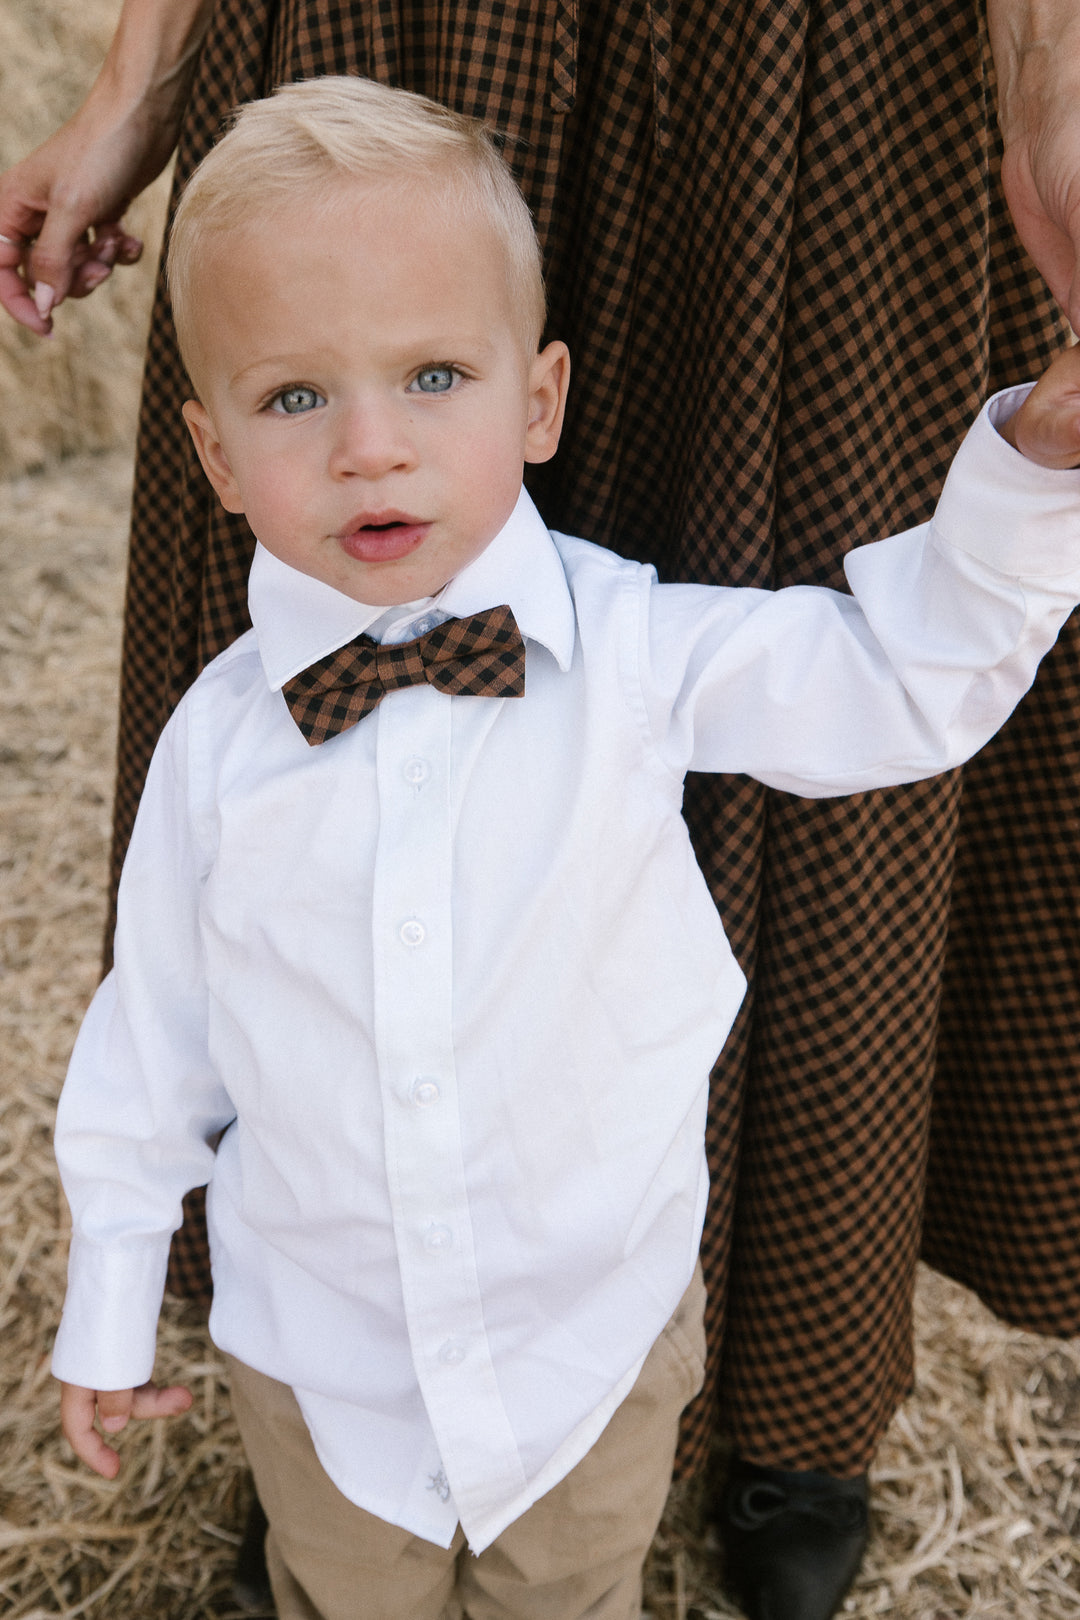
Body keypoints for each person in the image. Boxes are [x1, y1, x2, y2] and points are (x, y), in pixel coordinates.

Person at [7, 6, 1080, 1619]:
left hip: (591, 1348)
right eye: (295, 399)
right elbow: (149, 1044)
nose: (374, 446)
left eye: (435, 375)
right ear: (211, 456)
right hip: (327, 1367)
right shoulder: (217, 745)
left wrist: (1037, 473)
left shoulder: (645, 652)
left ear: (541, 399)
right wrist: (104, 1301)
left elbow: (899, 680)